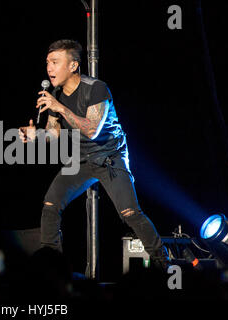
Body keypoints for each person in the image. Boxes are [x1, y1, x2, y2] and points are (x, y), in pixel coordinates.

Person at [19, 39, 170, 270]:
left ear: (73, 66)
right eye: (48, 62)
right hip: (81, 159)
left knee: (130, 213)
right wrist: (35, 135)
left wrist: (59, 108)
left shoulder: (97, 88)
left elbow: (92, 129)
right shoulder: (55, 94)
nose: (49, 68)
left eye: (55, 62)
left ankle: (163, 261)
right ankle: (52, 268)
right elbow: (54, 133)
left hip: (110, 157)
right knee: (50, 204)